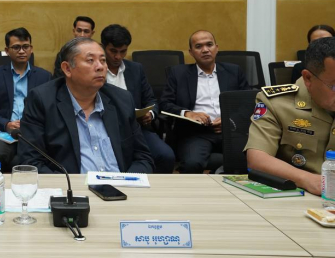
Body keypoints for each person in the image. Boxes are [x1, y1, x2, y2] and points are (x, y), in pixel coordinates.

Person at [19, 37, 153, 174]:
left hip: (122, 184)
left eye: (103, 60)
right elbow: (31, 161)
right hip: (72, 185)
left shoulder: (122, 99)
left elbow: (143, 157)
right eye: (90, 60)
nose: (100, 67)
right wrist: (70, 185)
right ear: (67, 68)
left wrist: (128, 182)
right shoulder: (42, 100)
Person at [246, 37, 335, 195]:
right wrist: (309, 180)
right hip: (298, 194)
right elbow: (257, 159)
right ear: (308, 78)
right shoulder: (277, 103)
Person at [160, 30, 250, 174]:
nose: (205, 50)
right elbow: (165, 103)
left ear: (216, 48)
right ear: (191, 52)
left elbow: (247, 102)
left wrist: (229, 120)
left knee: (250, 159)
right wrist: (188, 113)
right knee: (192, 163)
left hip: (230, 131)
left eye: (209, 44)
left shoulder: (234, 71)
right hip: (195, 132)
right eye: (199, 46)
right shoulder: (178, 73)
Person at [100, 24, 176, 173]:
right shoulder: (96, 70)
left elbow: (151, 100)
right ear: (103, 48)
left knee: (166, 156)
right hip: (106, 129)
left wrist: (150, 114)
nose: (118, 57)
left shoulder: (135, 69)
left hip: (136, 129)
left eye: (123, 51)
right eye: (113, 51)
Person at [0, 28, 52, 172]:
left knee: (37, 161)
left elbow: (49, 109)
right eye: (16, 47)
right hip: (3, 133)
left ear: (31, 49)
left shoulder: (44, 76)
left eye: (25, 46)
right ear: (7, 50)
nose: (21, 51)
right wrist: (6, 124)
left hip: (33, 134)